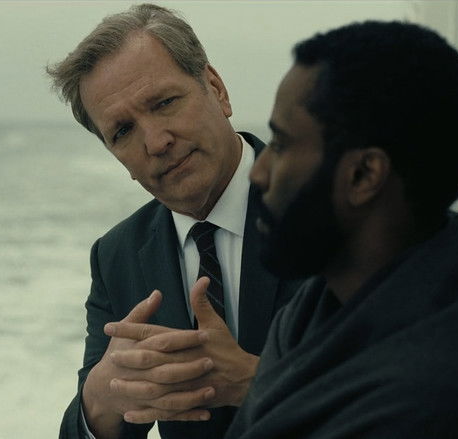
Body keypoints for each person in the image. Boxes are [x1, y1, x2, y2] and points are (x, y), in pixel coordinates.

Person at [225, 21, 458, 438]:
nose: (258, 173)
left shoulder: (434, 402)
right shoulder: (311, 313)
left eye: (281, 145)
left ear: (363, 175)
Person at [46, 4, 301, 439]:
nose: (157, 141)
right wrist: (101, 400)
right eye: (122, 131)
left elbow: (414, 390)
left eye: (164, 103)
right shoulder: (117, 256)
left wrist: (253, 382)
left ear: (216, 89)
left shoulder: (344, 206)